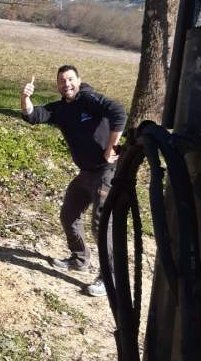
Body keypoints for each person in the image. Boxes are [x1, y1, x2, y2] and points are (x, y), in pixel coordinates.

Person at [21, 65, 126, 296]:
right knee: (69, 214)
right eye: (61, 81)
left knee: (101, 224)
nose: (66, 84)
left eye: (70, 79)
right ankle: (79, 259)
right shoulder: (61, 108)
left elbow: (119, 112)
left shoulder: (89, 99)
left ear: (79, 80)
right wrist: (25, 98)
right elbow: (34, 115)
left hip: (106, 172)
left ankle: (111, 279)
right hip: (86, 173)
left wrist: (112, 147)